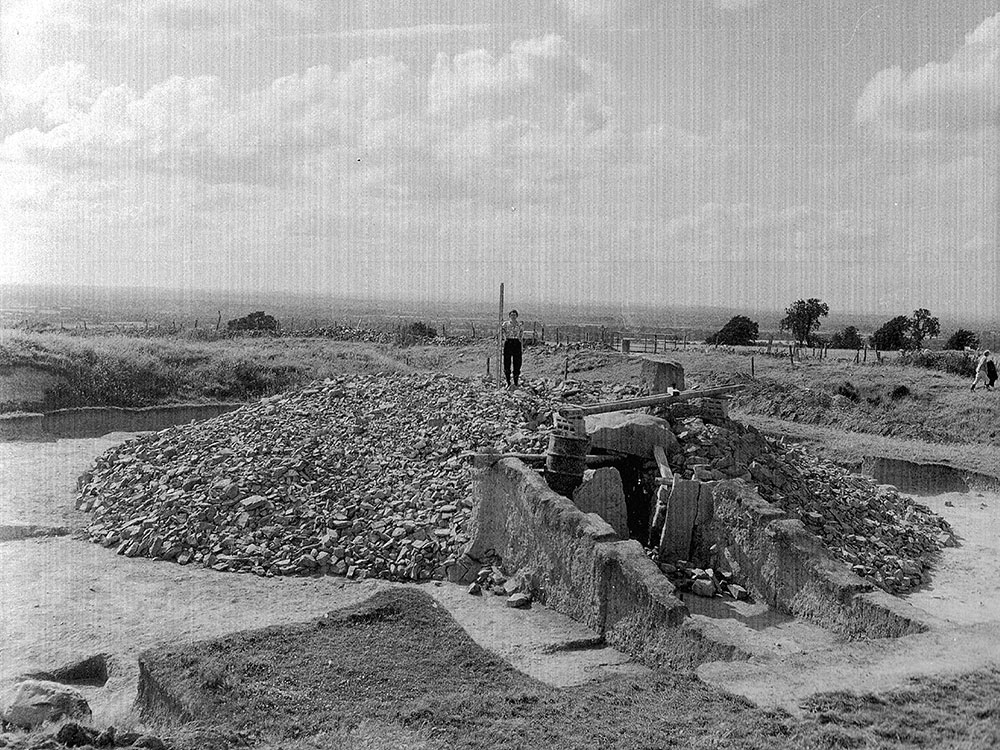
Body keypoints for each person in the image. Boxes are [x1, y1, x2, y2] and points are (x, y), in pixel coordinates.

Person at [501, 309, 524, 388]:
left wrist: (521, 343)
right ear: (509, 316)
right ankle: (508, 382)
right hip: (508, 342)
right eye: (511, 315)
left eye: (514, 315)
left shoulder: (519, 324)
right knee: (507, 362)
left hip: (516, 343)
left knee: (517, 363)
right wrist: (504, 338)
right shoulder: (505, 324)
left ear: (516, 316)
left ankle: (516, 382)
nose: (513, 316)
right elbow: (501, 331)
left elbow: (521, 334)